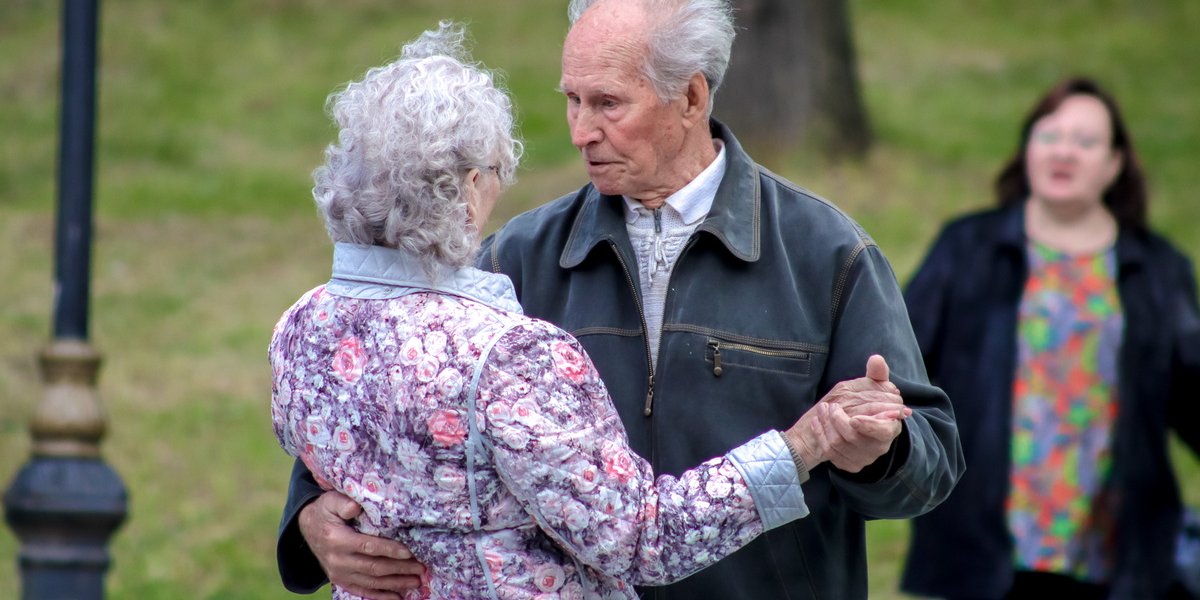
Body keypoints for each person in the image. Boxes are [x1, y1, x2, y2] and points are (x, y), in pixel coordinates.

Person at [279, 1, 965, 598]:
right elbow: (381, 409)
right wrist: (311, 516)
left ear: (692, 98)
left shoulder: (825, 253)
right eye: (571, 100)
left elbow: (931, 466)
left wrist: (879, 452)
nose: (580, 131)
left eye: (608, 103)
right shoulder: (513, 257)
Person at [900, 76, 1200, 599]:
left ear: (1115, 164)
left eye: (1086, 142)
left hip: (1114, 549)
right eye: (1050, 135)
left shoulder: (1158, 269)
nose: (1064, 152)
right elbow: (902, 363)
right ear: (1027, 149)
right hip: (981, 543)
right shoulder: (967, 247)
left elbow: (1193, 396)